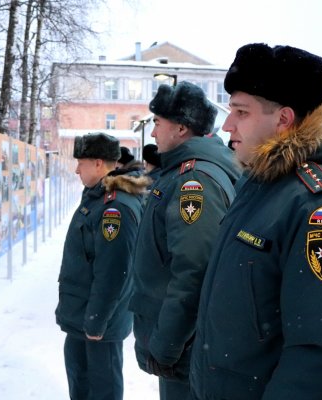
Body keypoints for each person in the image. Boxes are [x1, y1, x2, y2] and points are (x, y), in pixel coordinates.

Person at [189, 43, 322, 400]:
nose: (227, 124)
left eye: (241, 112)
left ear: (283, 119)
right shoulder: (261, 185)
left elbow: (316, 354)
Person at [128, 81, 240, 400]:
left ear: (180, 128)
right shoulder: (180, 173)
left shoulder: (193, 182)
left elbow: (194, 272)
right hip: (181, 346)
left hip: (183, 350)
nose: (152, 134)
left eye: (157, 124)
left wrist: (165, 347)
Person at [55, 132, 149, 400]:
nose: (76, 170)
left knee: (102, 389)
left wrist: (96, 322)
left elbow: (113, 272)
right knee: (81, 383)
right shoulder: (97, 198)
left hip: (98, 325)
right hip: (83, 318)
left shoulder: (114, 208)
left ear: (98, 164)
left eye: (81, 163)